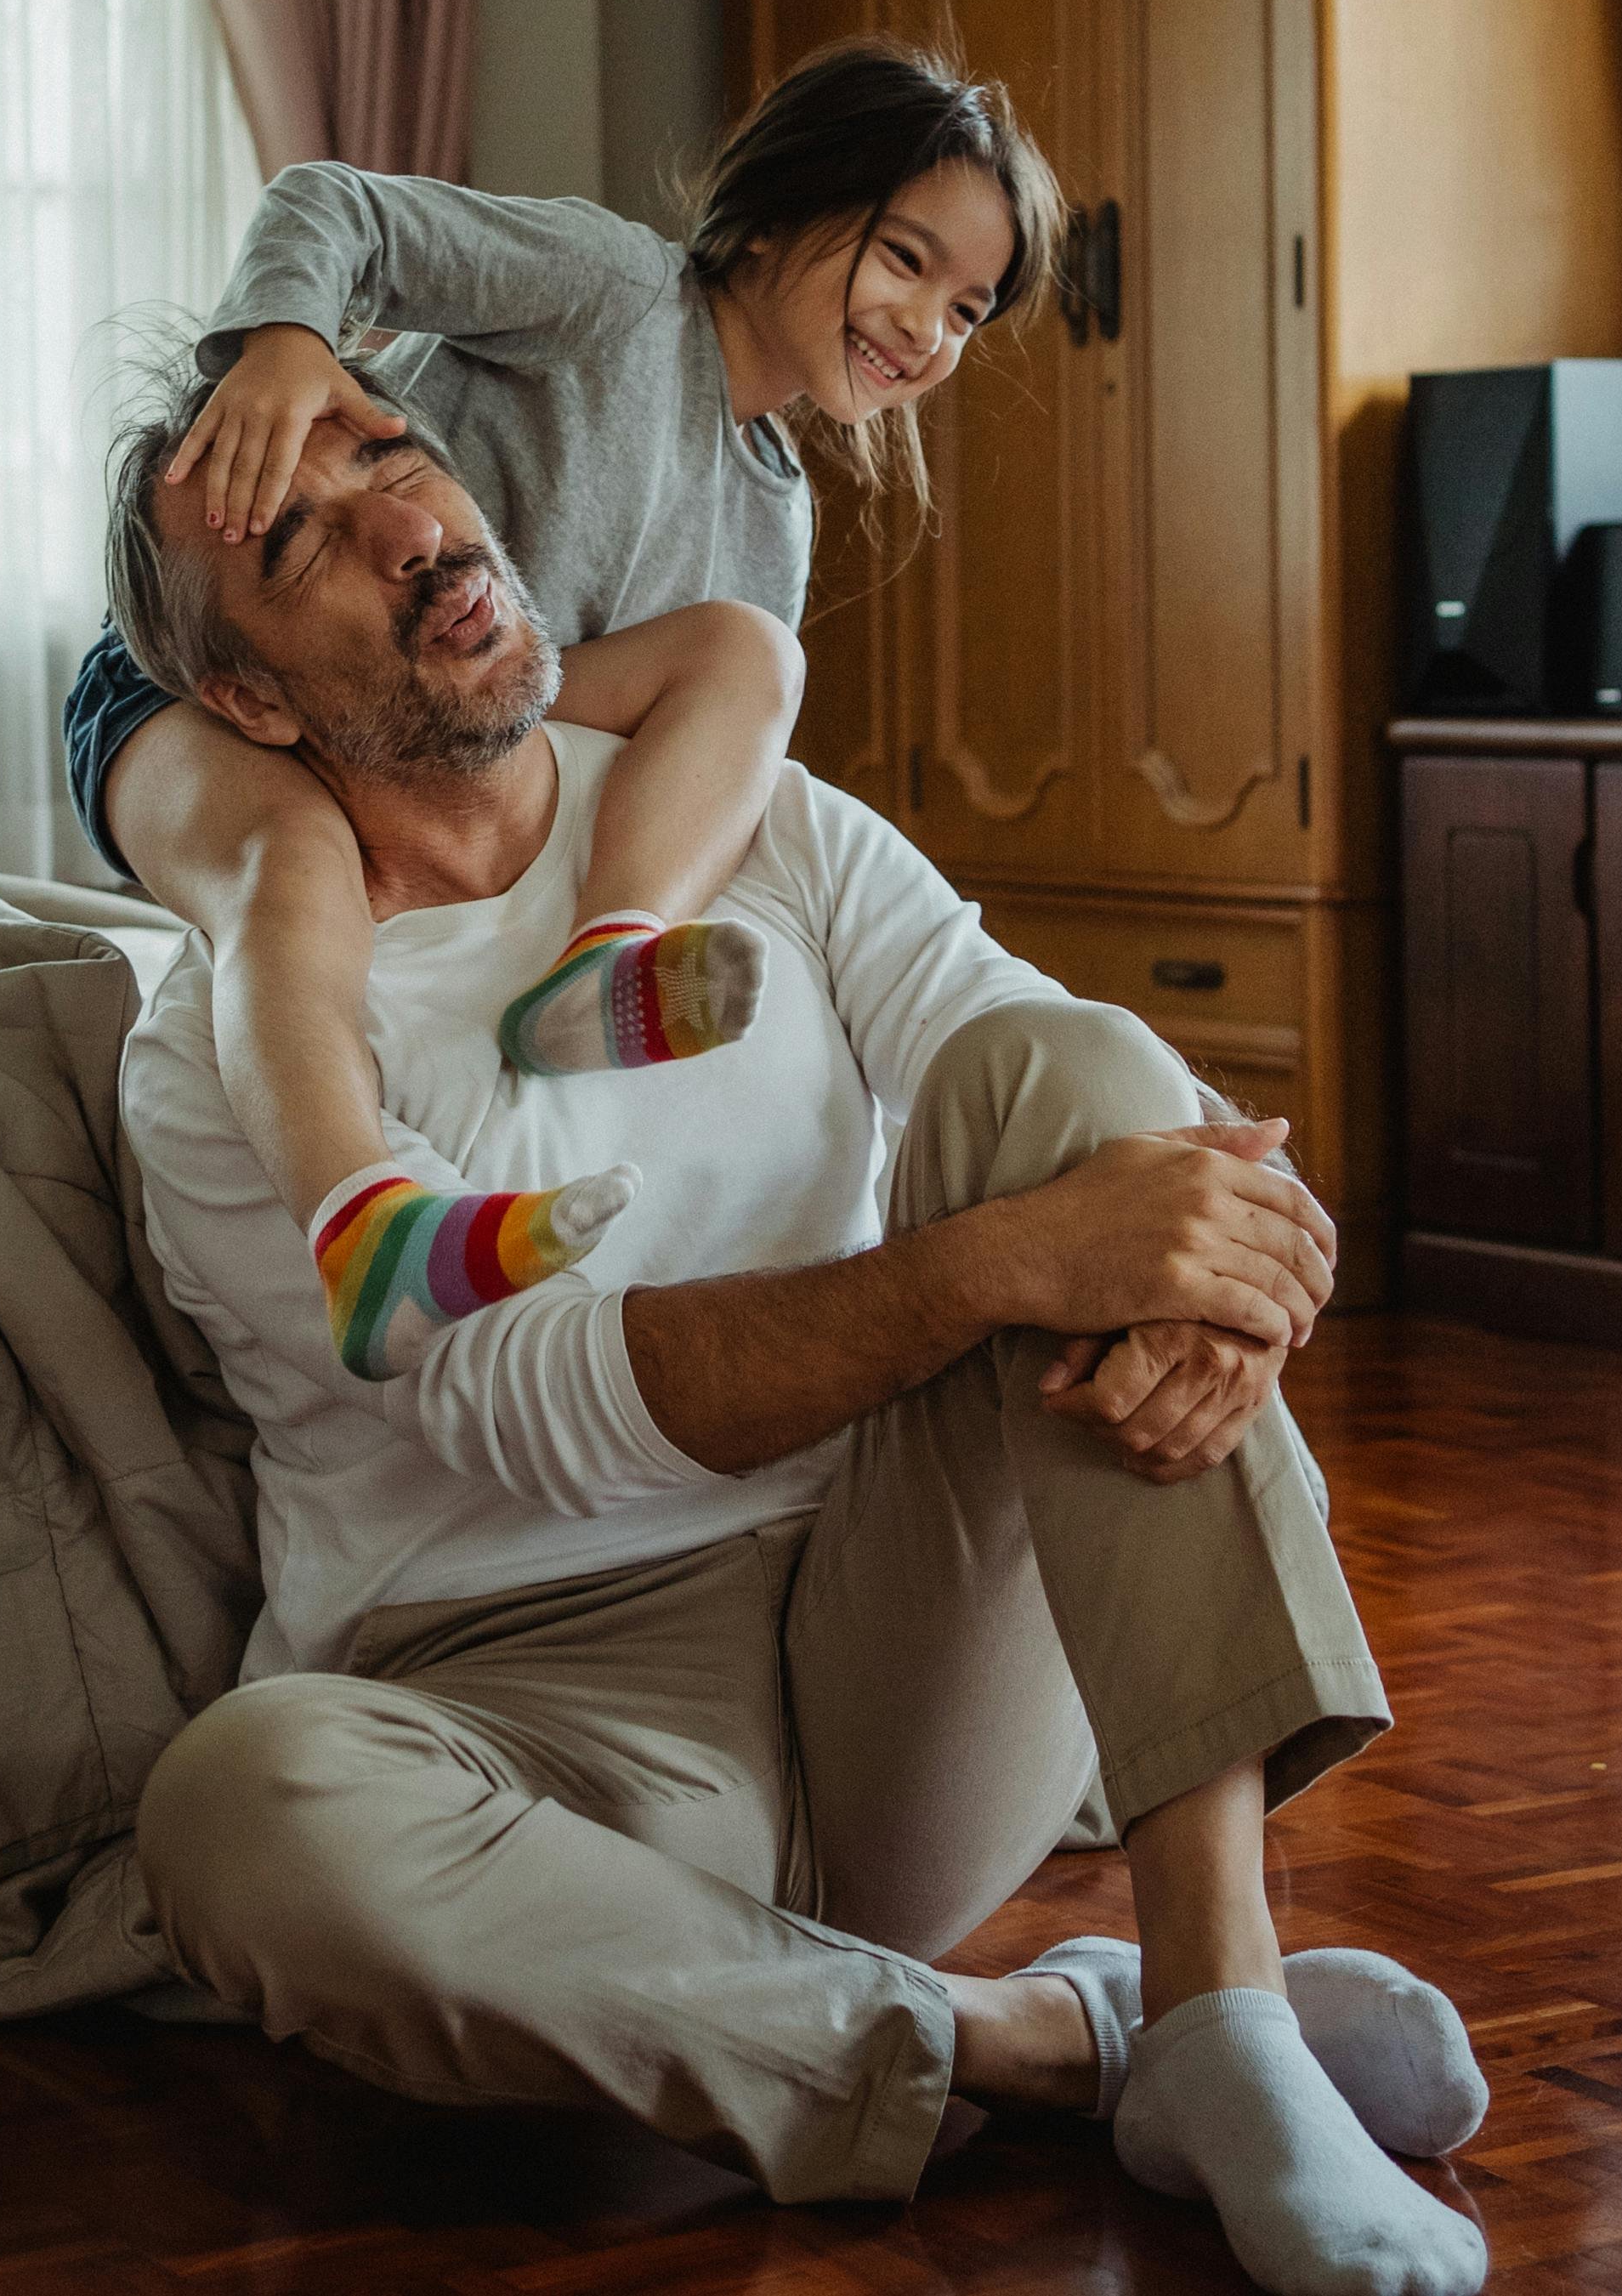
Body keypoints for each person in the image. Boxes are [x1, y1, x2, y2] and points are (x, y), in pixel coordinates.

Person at [114, 383, 1489, 2296]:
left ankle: (1223, 2000)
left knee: (1074, 1065)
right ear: (248, 706)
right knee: (238, 1807)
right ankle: (1055, 2040)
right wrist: (993, 1267)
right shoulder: (231, 1052)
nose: (397, 516)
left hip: (902, 1641)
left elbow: (1082, 1093)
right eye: (297, 540)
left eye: (383, 449)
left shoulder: (742, 813)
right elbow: (535, 1404)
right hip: (553, 1735)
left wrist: (1227, 1261)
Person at [69, 42, 1058, 1348]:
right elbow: (338, 206)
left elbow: (669, 736)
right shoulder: (616, 289)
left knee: (752, 658)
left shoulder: (775, 514)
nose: (927, 328)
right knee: (288, 856)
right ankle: (363, 1220)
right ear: (776, 213)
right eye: (903, 259)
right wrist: (287, 341)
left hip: (457, 706)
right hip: (196, 690)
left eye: (969, 309)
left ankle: (609, 950)